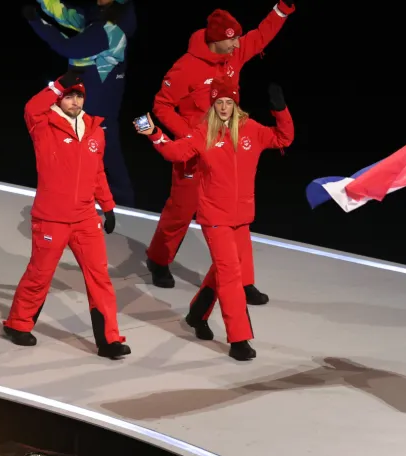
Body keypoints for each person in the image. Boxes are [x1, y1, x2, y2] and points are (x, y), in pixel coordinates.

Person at [135, 76, 294, 361]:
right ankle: (239, 339)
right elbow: (176, 152)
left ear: (235, 103)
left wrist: (280, 110)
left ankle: (197, 314)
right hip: (215, 218)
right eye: (218, 102)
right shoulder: (203, 132)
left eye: (228, 102)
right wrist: (153, 133)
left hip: (242, 216)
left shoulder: (251, 130)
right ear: (213, 104)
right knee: (231, 275)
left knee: (224, 269)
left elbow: (284, 138)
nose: (223, 107)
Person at [145, 2, 296, 301]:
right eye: (232, 38)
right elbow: (161, 105)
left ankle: (243, 281)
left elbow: (260, 36)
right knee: (181, 210)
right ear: (216, 39)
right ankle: (158, 260)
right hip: (196, 148)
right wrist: (191, 134)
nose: (238, 43)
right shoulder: (185, 67)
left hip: (228, 148)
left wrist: (282, 10)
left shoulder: (234, 54)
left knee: (236, 215)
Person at [3, 69, 131, 360]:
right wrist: (57, 84)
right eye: (68, 97)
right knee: (40, 274)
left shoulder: (95, 129)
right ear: (59, 99)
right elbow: (30, 107)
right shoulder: (43, 124)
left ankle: (109, 340)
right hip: (51, 218)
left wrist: (108, 206)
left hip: (86, 218)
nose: (74, 102)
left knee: (100, 278)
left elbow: (98, 172)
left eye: (78, 97)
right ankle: (18, 324)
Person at [23, 0, 138, 207]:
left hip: (99, 104)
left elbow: (68, 47)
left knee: (104, 157)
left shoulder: (108, 29)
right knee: (87, 154)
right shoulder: (99, 18)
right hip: (89, 101)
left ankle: (123, 206)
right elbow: (66, 14)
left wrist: (36, 21)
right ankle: (90, 200)